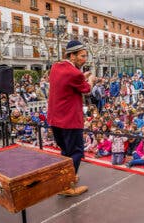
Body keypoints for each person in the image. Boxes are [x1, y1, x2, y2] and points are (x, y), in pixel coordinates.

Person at [48, 40, 96, 196]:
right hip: (69, 120)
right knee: (75, 152)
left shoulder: (56, 67)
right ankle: (66, 186)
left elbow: (67, 80)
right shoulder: (75, 73)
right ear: (72, 55)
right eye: (82, 56)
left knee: (65, 151)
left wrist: (81, 76)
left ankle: (64, 179)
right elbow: (87, 89)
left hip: (55, 119)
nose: (85, 59)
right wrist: (89, 80)